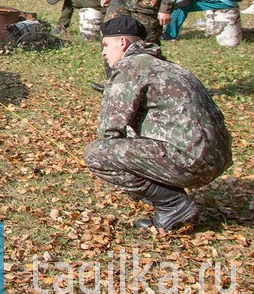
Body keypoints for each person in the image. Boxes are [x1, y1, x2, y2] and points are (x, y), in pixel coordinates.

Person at [83, 16, 232, 231]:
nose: (104, 53)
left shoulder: (130, 68)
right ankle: (168, 196)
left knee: (97, 153)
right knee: (132, 139)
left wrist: (131, 181)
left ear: (122, 43)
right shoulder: (167, 66)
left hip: (190, 161)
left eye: (105, 45)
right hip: (216, 157)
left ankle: (172, 204)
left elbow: (109, 131)